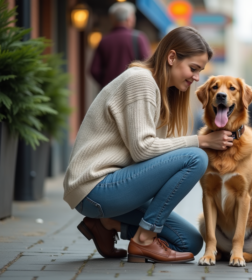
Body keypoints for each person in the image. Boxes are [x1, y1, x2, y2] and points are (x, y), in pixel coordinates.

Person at [63, 26, 235, 263]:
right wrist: (201, 140)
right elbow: (143, 150)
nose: (197, 77)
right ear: (172, 57)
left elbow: (154, 154)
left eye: (200, 71)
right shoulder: (140, 81)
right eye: (194, 69)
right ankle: (144, 240)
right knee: (196, 157)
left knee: (190, 242)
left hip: (118, 185)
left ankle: (106, 225)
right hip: (95, 186)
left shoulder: (163, 91)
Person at [90, 2, 151, 89]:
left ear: (112, 19)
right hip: (133, 90)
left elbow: (94, 70)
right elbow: (147, 65)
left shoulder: (104, 41)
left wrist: (107, 82)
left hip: (109, 92)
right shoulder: (139, 38)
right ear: (129, 18)